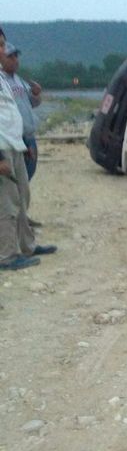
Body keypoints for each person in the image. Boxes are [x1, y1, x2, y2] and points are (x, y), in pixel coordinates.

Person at [0, 28, 56, 270]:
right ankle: (7, 256)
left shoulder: (6, 79)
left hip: (15, 144)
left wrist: (23, 143)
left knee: (22, 197)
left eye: (3, 45)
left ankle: (27, 245)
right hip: (3, 149)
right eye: (1, 46)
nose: (4, 51)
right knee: (7, 204)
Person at [0, 43, 42, 181]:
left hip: (29, 136)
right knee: (14, 180)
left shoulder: (20, 81)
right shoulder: (2, 82)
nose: (15, 59)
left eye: (16, 56)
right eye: (10, 56)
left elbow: (33, 103)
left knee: (27, 175)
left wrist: (36, 94)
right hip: (14, 139)